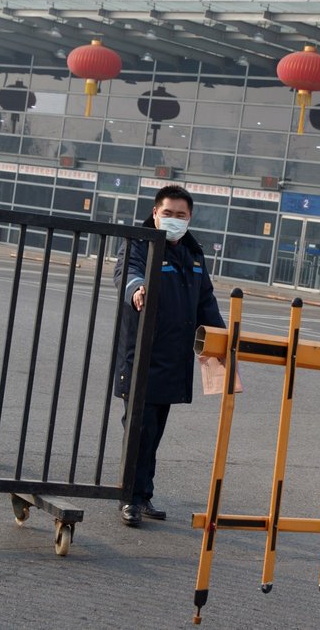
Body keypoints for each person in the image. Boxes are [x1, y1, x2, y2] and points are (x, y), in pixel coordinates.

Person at [113, 185, 225, 527]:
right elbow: (126, 274)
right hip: (143, 355)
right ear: (155, 213)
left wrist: (221, 341)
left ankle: (142, 492)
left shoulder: (193, 253)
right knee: (139, 429)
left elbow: (205, 300)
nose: (174, 220)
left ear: (189, 218)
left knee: (154, 430)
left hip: (174, 360)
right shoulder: (141, 242)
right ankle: (129, 497)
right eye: (168, 213)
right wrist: (137, 290)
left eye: (181, 215)